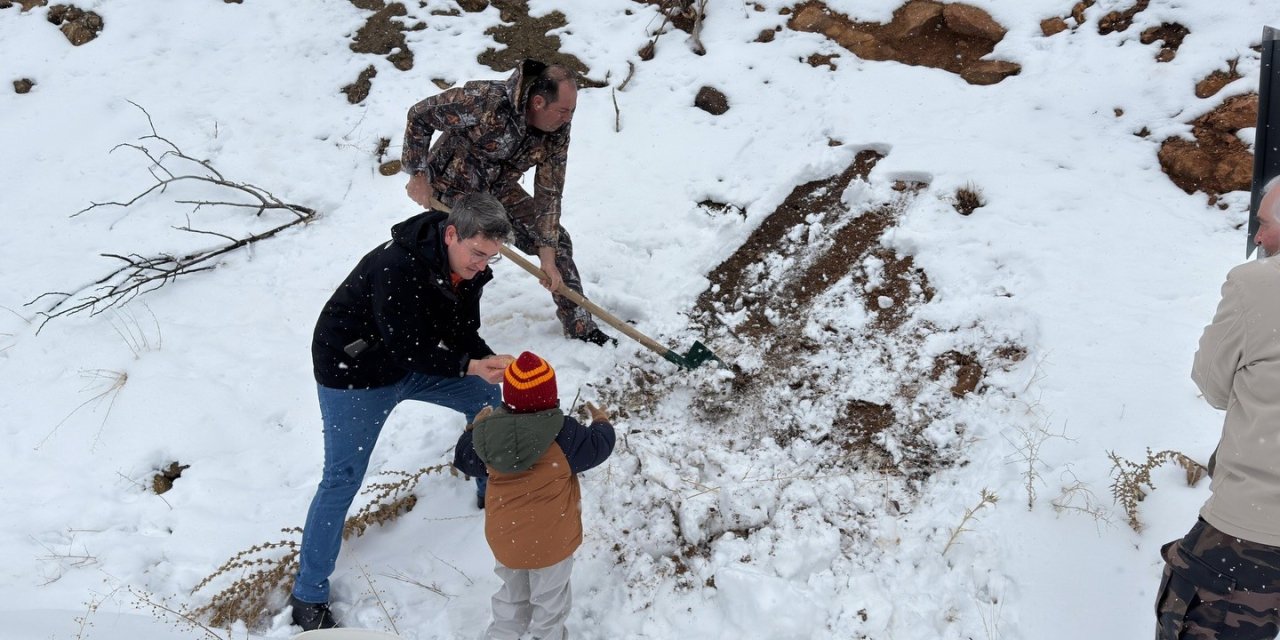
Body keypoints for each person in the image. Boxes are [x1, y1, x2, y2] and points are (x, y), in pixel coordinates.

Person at [290, 193, 516, 631]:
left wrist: (488, 361)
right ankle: (308, 594)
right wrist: (468, 365)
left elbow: (461, 329)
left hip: (412, 362)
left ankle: (492, 488)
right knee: (342, 478)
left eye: (492, 257)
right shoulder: (397, 267)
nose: (483, 265)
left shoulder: (469, 268)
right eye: (477, 254)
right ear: (452, 234)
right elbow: (406, 345)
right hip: (355, 371)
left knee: (486, 398)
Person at [402, 58, 616, 347]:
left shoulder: (557, 130)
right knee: (456, 259)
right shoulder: (485, 101)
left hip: (497, 191)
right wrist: (417, 174)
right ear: (538, 102)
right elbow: (420, 115)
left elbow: (549, 193)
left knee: (557, 242)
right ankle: (432, 337)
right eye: (563, 111)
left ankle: (580, 326)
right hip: (451, 189)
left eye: (572, 111)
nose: (568, 118)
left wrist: (547, 256)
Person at [1154, 177, 1280, 639]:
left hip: (1253, 533)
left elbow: (1212, 386)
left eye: (1264, 224)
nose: (1259, 237)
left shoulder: (1258, 285)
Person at [453, 351, 616, 640]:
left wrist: (473, 430)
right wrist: (602, 422)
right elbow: (599, 447)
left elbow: (464, 458)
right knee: (550, 603)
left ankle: (502, 634)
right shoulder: (565, 435)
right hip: (551, 544)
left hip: (507, 541)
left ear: (508, 398)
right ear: (551, 398)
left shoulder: (489, 437)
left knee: (511, 600)